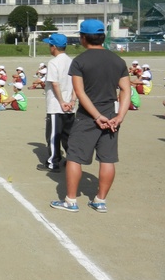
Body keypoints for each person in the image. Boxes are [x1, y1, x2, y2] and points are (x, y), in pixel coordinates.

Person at [50, 19, 130, 214]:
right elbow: (126, 91)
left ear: (83, 38)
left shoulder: (80, 61)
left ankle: (71, 200)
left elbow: (80, 92)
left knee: (75, 157)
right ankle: (100, 200)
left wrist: (96, 116)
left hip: (88, 116)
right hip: (111, 114)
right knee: (107, 159)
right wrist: (119, 116)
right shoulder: (118, 60)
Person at [37, 33, 75, 173]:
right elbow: (76, 83)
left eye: (50, 45)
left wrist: (61, 101)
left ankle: (53, 162)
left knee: (53, 135)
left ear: (53, 47)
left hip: (56, 105)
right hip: (70, 106)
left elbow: (55, 83)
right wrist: (72, 101)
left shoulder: (53, 62)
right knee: (68, 135)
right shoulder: (71, 61)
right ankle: (72, 160)